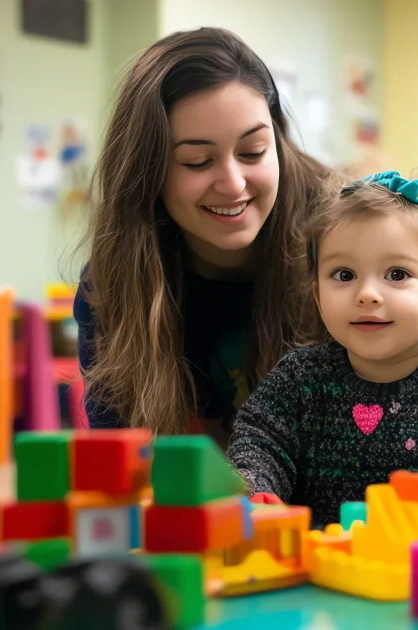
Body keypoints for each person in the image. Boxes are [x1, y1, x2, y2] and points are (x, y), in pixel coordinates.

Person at [226, 171, 418, 531]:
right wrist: (256, 491)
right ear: (317, 295)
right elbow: (258, 444)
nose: (367, 294)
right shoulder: (298, 379)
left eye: (396, 274)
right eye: (344, 275)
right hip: (321, 571)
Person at [73, 28, 331, 446]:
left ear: (278, 142)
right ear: (147, 173)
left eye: (253, 152)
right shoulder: (115, 283)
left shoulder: (342, 240)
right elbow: (124, 461)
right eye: (197, 161)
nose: (232, 185)